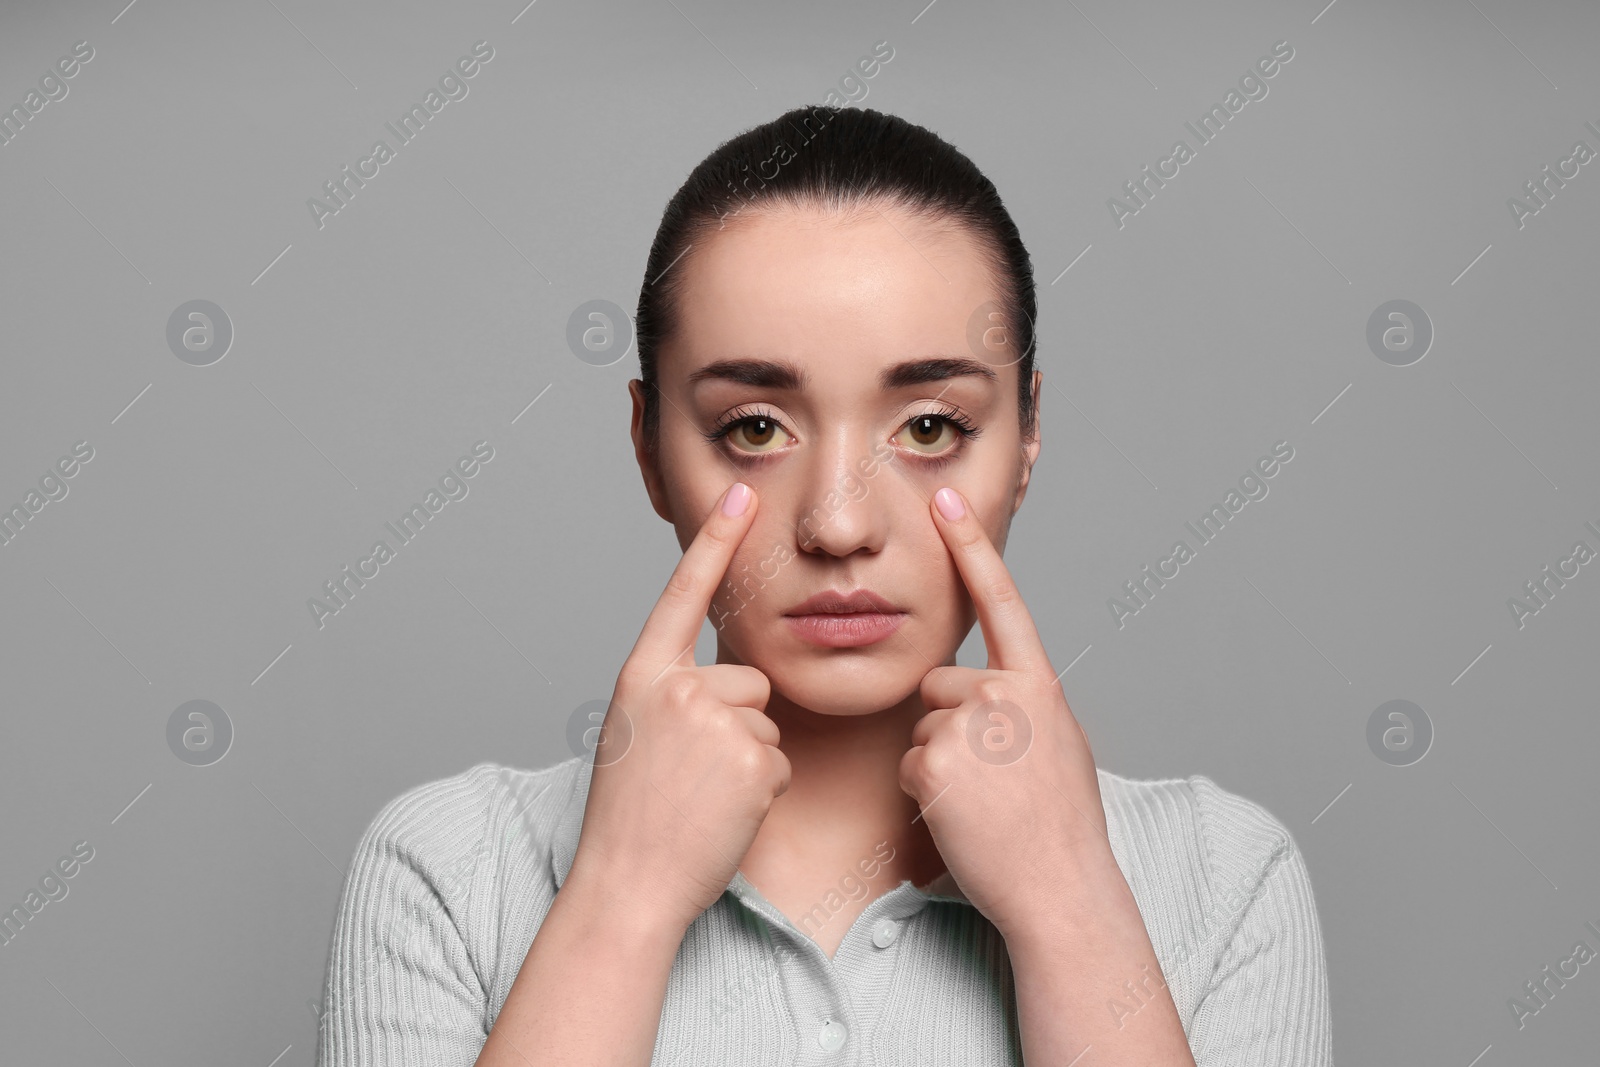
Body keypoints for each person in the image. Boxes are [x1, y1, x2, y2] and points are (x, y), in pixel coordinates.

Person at [315, 105, 1332, 1066]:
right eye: (754, 427)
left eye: (928, 427)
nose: (838, 523)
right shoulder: (452, 868)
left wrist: (1069, 906)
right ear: (649, 447)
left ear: (1025, 438)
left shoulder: (1224, 876)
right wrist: (620, 900)